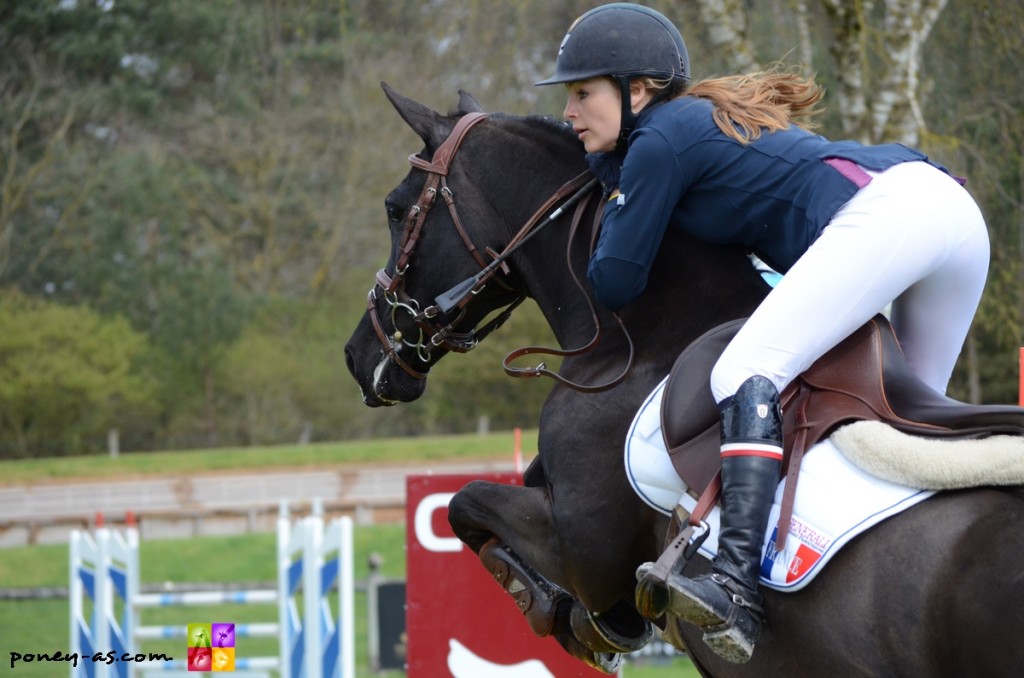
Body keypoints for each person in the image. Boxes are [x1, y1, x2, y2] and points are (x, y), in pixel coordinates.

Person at [535, 2, 990, 665]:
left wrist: (611, 185)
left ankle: (735, 585)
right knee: (905, 431)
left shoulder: (659, 139)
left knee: (741, 374)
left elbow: (615, 280)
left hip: (894, 215)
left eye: (583, 93)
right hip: (947, 212)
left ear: (638, 91)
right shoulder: (687, 127)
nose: (569, 113)